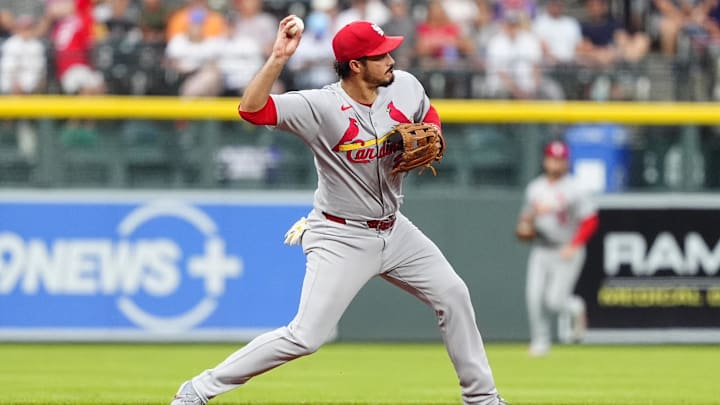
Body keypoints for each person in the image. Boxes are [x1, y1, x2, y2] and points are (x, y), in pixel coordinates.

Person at [170, 16, 506, 405]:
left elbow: (427, 116)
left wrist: (434, 134)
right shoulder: (321, 106)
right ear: (356, 65)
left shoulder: (405, 86)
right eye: (381, 55)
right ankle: (198, 389)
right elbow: (252, 109)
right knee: (305, 337)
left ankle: (482, 398)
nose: (391, 59)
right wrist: (278, 57)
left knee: (453, 294)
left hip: (395, 230)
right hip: (340, 235)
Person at [515, 140, 599, 357]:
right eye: (553, 158)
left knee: (554, 301)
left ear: (566, 162)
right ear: (545, 160)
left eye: (560, 159)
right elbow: (526, 220)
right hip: (541, 247)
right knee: (534, 297)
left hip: (566, 248)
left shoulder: (576, 188)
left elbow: (590, 220)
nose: (556, 163)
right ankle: (540, 342)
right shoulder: (535, 188)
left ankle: (575, 307)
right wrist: (526, 224)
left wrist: (575, 244)